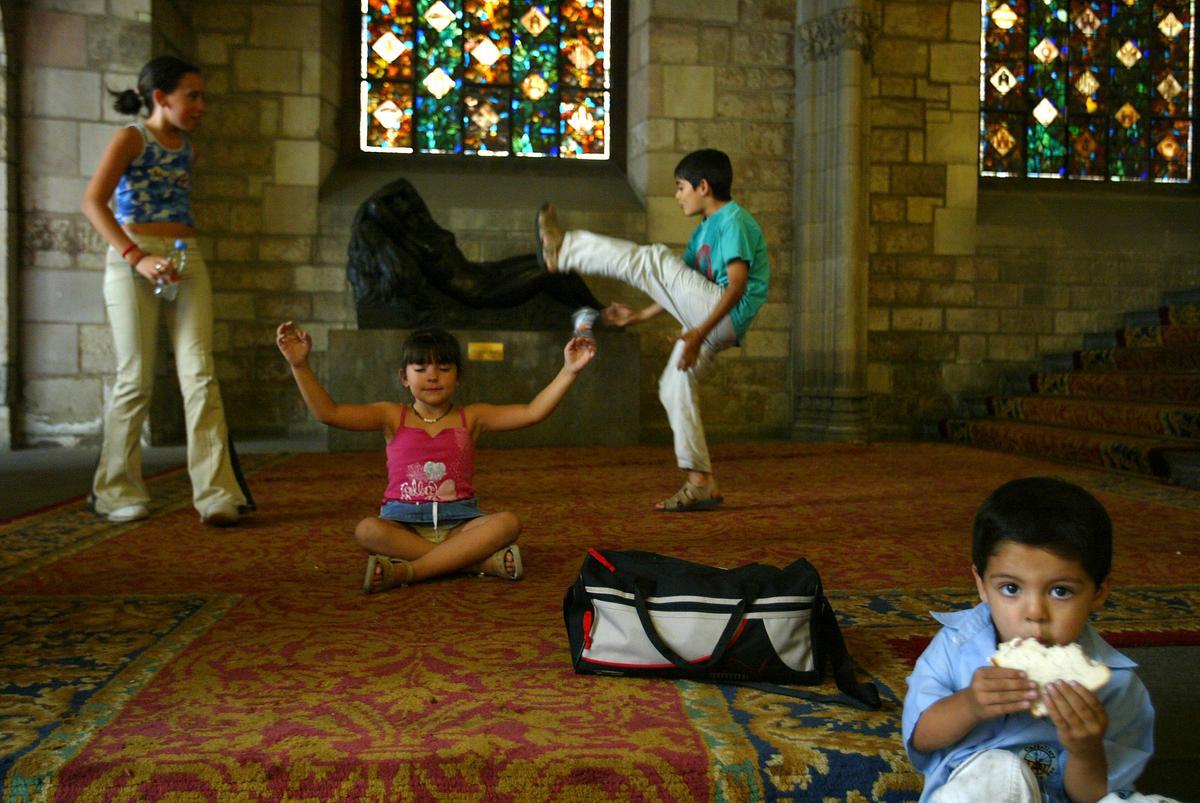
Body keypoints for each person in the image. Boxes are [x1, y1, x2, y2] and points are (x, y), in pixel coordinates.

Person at [903, 477, 1174, 803]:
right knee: (1000, 772)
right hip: (981, 790)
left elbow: (1095, 796)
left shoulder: (1114, 683)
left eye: (1060, 591)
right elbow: (921, 738)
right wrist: (971, 704)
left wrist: (1086, 749)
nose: (1034, 613)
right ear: (982, 585)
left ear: (1099, 592)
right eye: (1011, 588)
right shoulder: (956, 647)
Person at [275, 321, 595, 593]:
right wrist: (299, 365)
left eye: (443, 369)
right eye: (421, 368)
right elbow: (328, 412)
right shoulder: (390, 415)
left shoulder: (473, 417)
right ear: (404, 377)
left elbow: (532, 412)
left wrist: (569, 371)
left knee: (508, 523)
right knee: (367, 531)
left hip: (461, 524)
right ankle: (475, 563)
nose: (433, 377)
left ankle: (409, 571)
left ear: (458, 377)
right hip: (402, 526)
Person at [535, 148, 770, 512]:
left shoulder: (732, 221)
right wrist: (640, 318)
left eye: (680, 188)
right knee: (674, 385)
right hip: (707, 317)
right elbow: (676, 286)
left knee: (652, 259)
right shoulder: (704, 230)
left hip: (721, 313)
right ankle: (700, 483)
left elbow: (736, 285)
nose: (677, 196)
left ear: (703, 186)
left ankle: (564, 251)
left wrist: (697, 332)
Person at [82, 56, 249, 526]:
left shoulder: (188, 149)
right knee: (136, 377)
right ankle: (115, 491)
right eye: (192, 95)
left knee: (199, 374)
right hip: (132, 260)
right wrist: (136, 256)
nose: (201, 105)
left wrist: (169, 259)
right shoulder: (131, 138)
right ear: (161, 97)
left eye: (202, 96)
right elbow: (93, 203)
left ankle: (216, 492)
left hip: (185, 259)